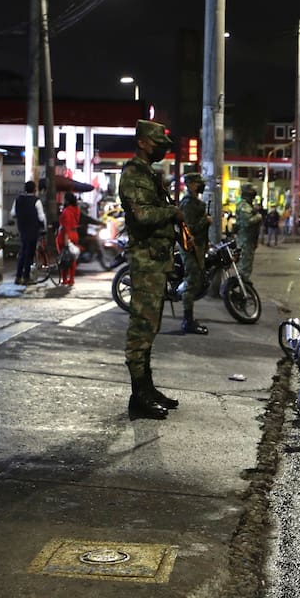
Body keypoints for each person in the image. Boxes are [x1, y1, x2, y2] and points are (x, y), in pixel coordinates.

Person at [118, 119, 184, 420]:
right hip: (145, 262)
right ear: (143, 142)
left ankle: (147, 388)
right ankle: (138, 395)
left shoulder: (147, 173)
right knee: (141, 329)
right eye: (157, 144)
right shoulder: (133, 175)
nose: (161, 150)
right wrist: (172, 212)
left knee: (150, 327)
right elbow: (142, 215)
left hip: (155, 261)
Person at [178, 172, 210, 335]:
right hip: (190, 247)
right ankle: (187, 321)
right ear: (190, 185)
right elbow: (190, 228)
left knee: (196, 280)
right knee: (191, 282)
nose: (201, 185)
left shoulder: (196, 202)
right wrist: (206, 220)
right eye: (198, 183)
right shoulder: (188, 203)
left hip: (198, 246)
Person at [11, 180, 41, 285]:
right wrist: (44, 228)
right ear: (34, 189)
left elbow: (13, 213)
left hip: (22, 230)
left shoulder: (18, 200)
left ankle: (18, 277)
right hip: (33, 230)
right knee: (30, 254)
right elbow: (41, 217)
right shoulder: (36, 201)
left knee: (22, 252)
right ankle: (26, 277)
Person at [234, 183, 260, 280]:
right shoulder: (243, 205)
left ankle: (244, 283)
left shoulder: (248, 205)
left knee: (247, 265)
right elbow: (247, 222)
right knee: (244, 266)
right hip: (245, 240)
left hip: (249, 239)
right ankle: (242, 284)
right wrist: (258, 217)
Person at [56, 191, 80, 286]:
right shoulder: (76, 210)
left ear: (67, 200)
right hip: (75, 234)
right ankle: (72, 279)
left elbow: (66, 227)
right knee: (72, 258)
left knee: (65, 257)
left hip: (66, 235)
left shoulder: (66, 211)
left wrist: (66, 240)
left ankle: (65, 279)